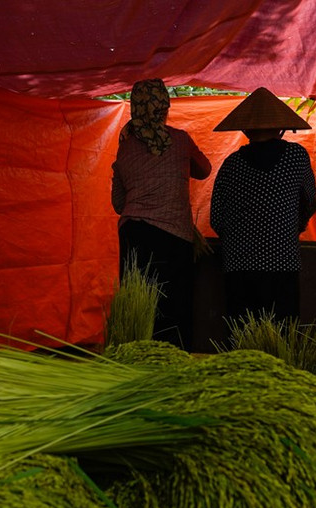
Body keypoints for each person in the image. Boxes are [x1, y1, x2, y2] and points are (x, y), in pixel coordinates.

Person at [111, 78, 211, 351]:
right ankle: (174, 370)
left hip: (134, 236)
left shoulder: (125, 147)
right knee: (175, 309)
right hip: (174, 238)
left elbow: (119, 204)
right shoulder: (180, 140)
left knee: (139, 308)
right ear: (164, 106)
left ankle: (139, 367)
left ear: (135, 108)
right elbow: (205, 170)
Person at [209, 87, 316, 324]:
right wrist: (291, 229)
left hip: (239, 266)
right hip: (282, 261)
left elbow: (216, 218)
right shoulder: (296, 157)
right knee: (281, 337)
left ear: (246, 129)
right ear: (281, 128)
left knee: (242, 340)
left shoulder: (231, 165)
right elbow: (309, 199)